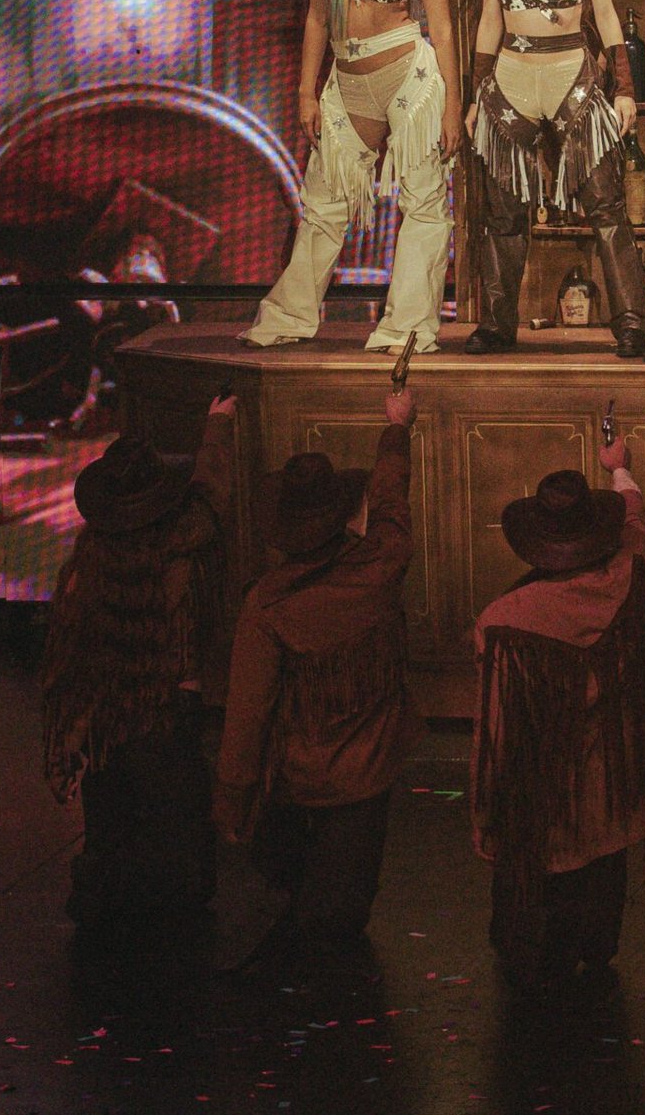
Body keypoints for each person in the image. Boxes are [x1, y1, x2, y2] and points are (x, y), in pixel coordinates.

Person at [213, 386, 421, 961]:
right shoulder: (381, 564)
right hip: (369, 770)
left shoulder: (267, 605)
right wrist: (397, 428)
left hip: (300, 774)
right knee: (343, 914)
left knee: (304, 900)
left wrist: (232, 800)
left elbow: (247, 714)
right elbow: (391, 502)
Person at [472, 422, 645, 996]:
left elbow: (496, 729)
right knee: (603, 860)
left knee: (542, 906)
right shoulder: (631, 579)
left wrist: (488, 809)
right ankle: (595, 946)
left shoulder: (503, 622)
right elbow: (637, 529)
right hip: (609, 775)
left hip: (540, 794)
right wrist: (620, 469)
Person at [247, 0, 458, 355]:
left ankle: (408, 327)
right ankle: (289, 316)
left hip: (409, 77)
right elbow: (318, 18)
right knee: (324, 204)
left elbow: (443, 30)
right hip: (347, 81)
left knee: (424, 203)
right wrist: (305, 92)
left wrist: (454, 107)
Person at [42, 391, 237, 929]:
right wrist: (218, 423)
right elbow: (211, 490)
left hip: (109, 715)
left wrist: (68, 741)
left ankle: (113, 904)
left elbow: (70, 665)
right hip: (172, 707)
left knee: (112, 818)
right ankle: (169, 908)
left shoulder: (86, 568)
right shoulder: (185, 541)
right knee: (178, 820)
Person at [461, 0, 645, 359]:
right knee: (503, 213)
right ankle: (497, 325)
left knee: (606, 204)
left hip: (571, 73)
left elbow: (606, 14)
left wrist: (625, 89)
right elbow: (489, 23)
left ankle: (632, 322)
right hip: (512, 78)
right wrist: (477, 95)